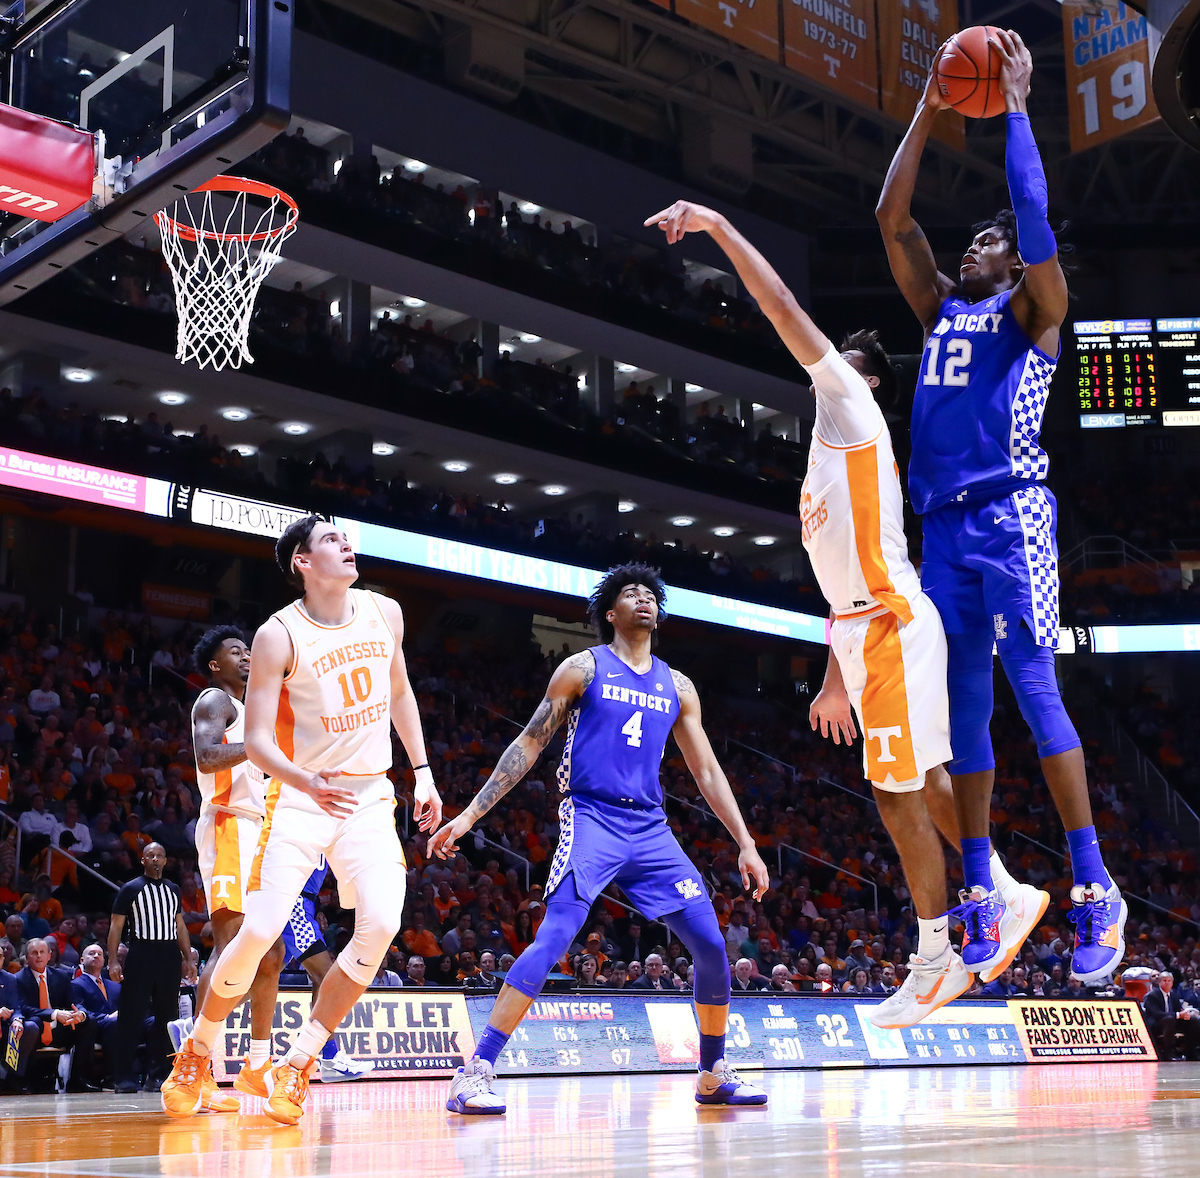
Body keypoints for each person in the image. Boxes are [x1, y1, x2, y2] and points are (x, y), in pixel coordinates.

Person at [645, 198, 1048, 1030]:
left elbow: (781, 308)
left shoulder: (851, 403)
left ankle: (941, 948)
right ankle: (1000, 890)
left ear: (861, 377)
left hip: (892, 623)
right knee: (918, 782)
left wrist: (720, 228)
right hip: (866, 629)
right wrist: (837, 673)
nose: (822, 364)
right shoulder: (828, 453)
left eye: (841, 359)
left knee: (896, 795)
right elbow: (840, 585)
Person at [875, 28, 1124, 984]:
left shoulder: (1035, 312)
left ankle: (1095, 883)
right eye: (974, 239)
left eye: (994, 242)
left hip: (1011, 516)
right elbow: (890, 218)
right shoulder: (941, 312)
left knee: (1031, 685)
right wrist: (934, 108)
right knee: (961, 712)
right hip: (941, 530)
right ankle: (979, 885)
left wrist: (1016, 103)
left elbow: (1032, 217)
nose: (982, 245)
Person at [430, 562, 771, 1113]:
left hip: (651, 829)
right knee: (556, 934)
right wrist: (470, 816)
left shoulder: (678, 686)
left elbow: (707, 772)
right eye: (630, 595)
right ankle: (477, 1070)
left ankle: (711, 1073)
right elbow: (529, 743)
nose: (643, 601)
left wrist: (746, 843)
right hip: (591, 818)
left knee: (711, 945)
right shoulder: (582, 668)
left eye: (650, 595)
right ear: (610, 613)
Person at [162, 515, 440, 1125]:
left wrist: (422, 772)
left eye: (347, 539)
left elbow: (400, 694)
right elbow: (255, 739)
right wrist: (303, 778)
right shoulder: (276, 635)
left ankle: (297, 1064)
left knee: (382, 923)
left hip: (368, 798)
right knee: (258, 932)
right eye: (332, 541)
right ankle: (198, 1052)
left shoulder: (384, 612)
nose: (347, 546)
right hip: (298, 799)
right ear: (303, 563)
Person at [172, 626, 285, 1104]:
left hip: (260, 828)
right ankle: (199, 1068)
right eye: (235, 651)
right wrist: (261, 748)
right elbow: (207, 755)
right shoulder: (214, 700)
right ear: (215, 664)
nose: (246, 656)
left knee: (273, 954)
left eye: (248, 650)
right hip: (229, 826)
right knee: (230, 945)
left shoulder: (257, 709)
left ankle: (258, 1066)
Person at [109, 843, 197, 1093]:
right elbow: (115, 927)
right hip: (141, 953)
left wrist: (188, 958)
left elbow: (180, 926)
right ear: (143, 860)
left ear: (166, 860)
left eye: (159, 855)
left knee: (167, 1018)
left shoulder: (173, 889)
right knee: (131, 1016)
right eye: (150, 855)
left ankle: (158, 1075)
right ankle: (123, 1077)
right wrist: (113, 960)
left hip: (168, 955)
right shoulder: (131, 888)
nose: (155, 859)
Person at [13, 937, 97, 1091]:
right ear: (27, 957)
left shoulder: (61, 976)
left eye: (42, 952)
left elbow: (74, 1002)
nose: (39, 956)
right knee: (33, 1023)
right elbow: (24, 1008)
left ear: (49, 955)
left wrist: (80, 1014)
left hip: (59, 1029)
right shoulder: (18, 979)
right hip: (36, 1031)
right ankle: (26, 1080)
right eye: (34, 953)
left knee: (88, 1021)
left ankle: (78, 1079)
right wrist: (54, 1013)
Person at [71, 943, 120, 1085]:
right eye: (91, 953)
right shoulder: (76, 984)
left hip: (120, 1024)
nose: (96, 956)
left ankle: (155, 1075)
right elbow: (79, 1008)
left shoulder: (115, 985)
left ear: (104, 961)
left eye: (99, 954)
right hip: (95, 1028)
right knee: (113, 1023)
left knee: (153, 1022)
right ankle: (112, 1078)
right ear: (82, 960)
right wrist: (107, 1017)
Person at [1143, 971, 1200, 1060]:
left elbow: (1178, 1010)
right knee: (1169, 1019)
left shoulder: (1173, 994)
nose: (1167, 983)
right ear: (1159, 982)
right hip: (1156, 1024)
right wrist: (1177, 1015)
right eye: (1164, 980)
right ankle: (1168, 1053)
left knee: (1193, 1020)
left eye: (1169, 981)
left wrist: (1185, 1015)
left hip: (1172, 1020)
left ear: (1172, 983)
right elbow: (1157, 1014)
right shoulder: (1151, 995)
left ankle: (1191, 1051)